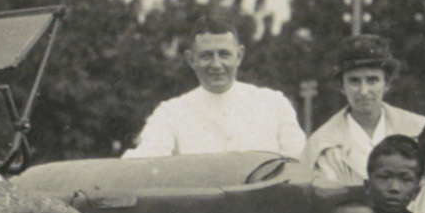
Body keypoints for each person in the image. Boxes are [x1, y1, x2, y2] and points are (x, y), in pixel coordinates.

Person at [124, 20, 307, 159]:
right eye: (206, 56)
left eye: (224, 54)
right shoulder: (171, 113)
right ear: (191, 60)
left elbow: (300, 160)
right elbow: (143, 162)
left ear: (239, 56)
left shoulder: (273, 104)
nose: (216, 65)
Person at [303, 35, 425, 184]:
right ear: (342, 86)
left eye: (372, 80)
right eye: (354, 81)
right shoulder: (323, 144)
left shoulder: (418, 130)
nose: (363, 91)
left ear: (386, 84)